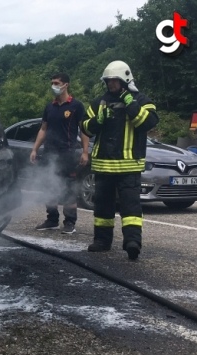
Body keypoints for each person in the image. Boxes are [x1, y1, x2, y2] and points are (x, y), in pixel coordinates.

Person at [81, 61, 158, 260]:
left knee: (131, 208)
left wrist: (130, 103)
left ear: (125, 79)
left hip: (129, 166)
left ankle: (132, 242)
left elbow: (147, 123)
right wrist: (98, 120)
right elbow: (86, 129)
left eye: (114, 80)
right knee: (102, 207)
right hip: (103, 165)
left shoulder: (141, 100)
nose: (110, 84)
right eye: (108, 81)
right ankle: (102, 241)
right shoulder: (99, 102)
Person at [30, 73, 90, 234]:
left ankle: (70, 222)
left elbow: (84, 130)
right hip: (49, 153)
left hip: (68, 153)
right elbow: (43, 129)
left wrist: (85, 151)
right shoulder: (49, 107)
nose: (53, 86)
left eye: (56, 83)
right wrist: (35, 149)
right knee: (48, 186)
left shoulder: (76, 106)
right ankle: (52, 220)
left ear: (66, 85)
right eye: (52, 83)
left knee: (68, 189)